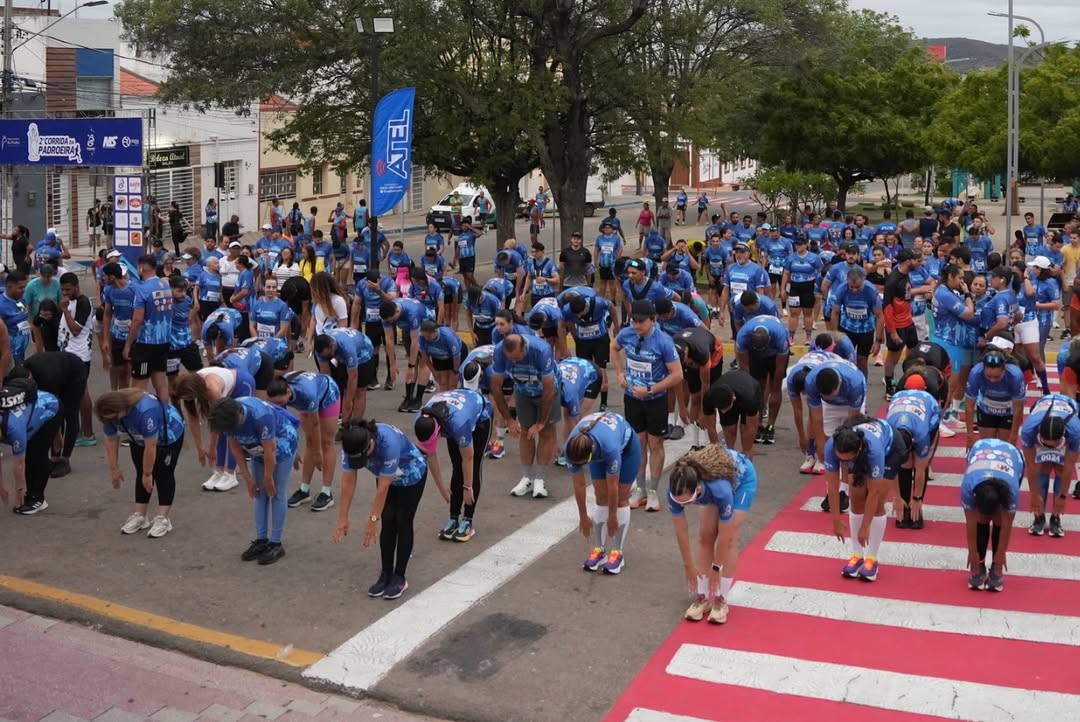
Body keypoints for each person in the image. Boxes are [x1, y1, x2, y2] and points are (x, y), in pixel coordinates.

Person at [334, 419, 429, 600]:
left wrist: (372, 520)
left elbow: (383, 487)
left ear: (371, 443)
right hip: (386, 474)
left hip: (411, 474)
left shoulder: (388, 443)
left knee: (402, 520)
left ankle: (399, 576)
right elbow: (348, 481)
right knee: (388, 520)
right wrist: (342, 517)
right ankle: (386, 573)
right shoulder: (350, 444)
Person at [668, 445, 757, 625]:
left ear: (697, 490)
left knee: (730, 539)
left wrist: (716, 568)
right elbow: (681, 530)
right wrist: (688, 566)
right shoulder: (675, 488)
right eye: (680, 502)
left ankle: (721, 599)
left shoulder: (720, 490)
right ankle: (703, 597)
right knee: (705, 535)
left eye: (688, 502)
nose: (683, 505)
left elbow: (725, 534)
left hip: (742, 480)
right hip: (712, 483)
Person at [209, 397, 299, 565]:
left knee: (276, 492)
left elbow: (270, 451)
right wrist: (248, 479)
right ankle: (261, 540)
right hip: (256, 448)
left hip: (281, 443)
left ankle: (276, 543)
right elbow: (235, 448)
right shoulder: (226, 416)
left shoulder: (260, 417)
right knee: (259, 493)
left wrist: (268, 477)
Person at [613, 299, 682, 512]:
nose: (636, 325)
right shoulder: (627, 334)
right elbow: (614, 347)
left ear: (653, 320)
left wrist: (651, 390)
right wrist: (619, 373)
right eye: (634, 321)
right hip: (632, 399)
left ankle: (653, 491)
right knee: (638, 444)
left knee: (655, 444)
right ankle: (640, 489)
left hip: (655, 401)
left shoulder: (663, 342)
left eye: (641, 321)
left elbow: (677, 375)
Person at [823, 415, 907, 582]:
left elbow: (874, 493)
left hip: (890, 449)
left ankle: (872, 559)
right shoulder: (831, 446)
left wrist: (865, 526)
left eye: (847, 460)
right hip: (860, 451)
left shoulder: (874, 451)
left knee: (877, 502)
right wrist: (835, 520)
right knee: (856, 497)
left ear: (858, 451)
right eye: (840, 459)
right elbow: (832, 486)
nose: (843, 463)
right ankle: (857, 555)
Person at [96, 388, 185, 538]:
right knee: (140, 472)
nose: (113, 422)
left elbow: (151, 446)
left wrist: (148, 474)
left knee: (163, 474)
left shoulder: (145, 411)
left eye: (115, 418)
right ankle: (140, 516)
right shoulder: (109, 415)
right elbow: (111, 440)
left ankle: (163, 518)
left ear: (122, 409)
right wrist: (114, 469)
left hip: (168, 435)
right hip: (138, 437)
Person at [563, 411, 642, 576]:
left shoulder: (609, 448)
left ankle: (617, 553)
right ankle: (599, 549)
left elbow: (613, 486)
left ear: (589, 456)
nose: (580, 466)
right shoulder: (571, 449)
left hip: (626, 450)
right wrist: (583, 516)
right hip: (598, 447)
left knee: (621, 497)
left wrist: (612, 516)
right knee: (600, 496)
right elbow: (579, 484)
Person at [491, 333, 560, 499]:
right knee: (525, 432)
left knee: (545, 433)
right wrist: (508, 419)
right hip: (523, 391)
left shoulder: (542, 350)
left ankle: (540, 480)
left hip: (546, 392)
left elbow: (548, 390)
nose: (514, 362)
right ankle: (527, 478)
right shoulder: (499, 351)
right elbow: (496, 388)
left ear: (524, 349)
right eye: (510, 359)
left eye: (517, 358)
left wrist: (541, 422)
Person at [414, 389, 487, 542]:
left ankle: (468, 520)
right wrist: (442, 489)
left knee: (472, 467)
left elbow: (468, 458)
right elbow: (430, 455)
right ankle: (453, 517)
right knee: (456, 466)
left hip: (479, 414)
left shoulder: (458, 424)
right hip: (451, 412)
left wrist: (468, 487)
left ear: (437, 431)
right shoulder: (420, 420)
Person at [173, 365, 257, 492]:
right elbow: (193, 420)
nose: (187, 400)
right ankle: (219, 471)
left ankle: (230, 473)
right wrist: (200, 448)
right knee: (223, 432)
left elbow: (217, 422)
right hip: (225, 389)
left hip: (242, 385)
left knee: (232, 429)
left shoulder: (211, 389)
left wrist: (212, 449)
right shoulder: (190, 388)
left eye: (188, 397)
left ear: (193, 391)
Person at [267, 373, 340, 513]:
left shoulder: (307, 393)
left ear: (288, 392)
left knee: (326, 442)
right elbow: (283, 425)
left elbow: (315, 424)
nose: (278, 406)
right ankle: (304, 489)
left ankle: (327, 492)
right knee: (310, 440)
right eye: (274, 403)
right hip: (305, 402)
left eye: (281, 403)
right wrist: (293, 450)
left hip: (327, 394)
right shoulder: (277, 392)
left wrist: (318, 454)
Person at [10, 352, 89, 479]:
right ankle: (54, 458)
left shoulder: (47, 377)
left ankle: (65, 459)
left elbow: (53, 409)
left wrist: (56, 435)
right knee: (55, 420)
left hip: (75, 372)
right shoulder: (15, 375)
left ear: (30, 377)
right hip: (57, 369)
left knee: (70, 413)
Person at [960, 439, 1023, 591]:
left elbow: (1007, 525)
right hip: (980, 451)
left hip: (1012, 457)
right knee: (982, 518)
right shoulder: (968, 486)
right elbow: (970, 522)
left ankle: (995, 566)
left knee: (999, 519)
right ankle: (980, 564)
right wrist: (972, 552)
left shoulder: (1012, 491)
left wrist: (1001, 554)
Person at [805, 359, 868, 511]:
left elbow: (851, 427)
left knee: (846, 445)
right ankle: (830, 491)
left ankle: (843, 491)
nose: (830, 397)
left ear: (839, 384)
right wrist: (820, 445)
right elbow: (816, 418)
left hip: (850, 401)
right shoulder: (811, 381)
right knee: (828, 447)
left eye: (832, 395)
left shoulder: (855, 383)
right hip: (829, 407)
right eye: (825, 395)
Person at [1020, 394, 1080, 538]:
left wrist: (1063, 497)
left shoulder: (1075, 431)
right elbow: (1031, 467)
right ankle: (1039, 516)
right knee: (1042, 466)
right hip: (1042, 407)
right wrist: (1034, 495)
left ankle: (1056, 518)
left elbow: (1068, 469)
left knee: (1060, 468)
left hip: (1068, 408)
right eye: (1047, 444)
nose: (1050, 448)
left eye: (1054, 445)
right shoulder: (1029, 430)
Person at [0, 378, 62, 515]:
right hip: (32, 408)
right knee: (30, 454)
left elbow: (19, 464)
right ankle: (31, 493)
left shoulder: (14, 428)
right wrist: (1, 488)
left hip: (50, 407)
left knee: (36, 455)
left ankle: (38, 498)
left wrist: (19, 492)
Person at [885, 379, 941, 529]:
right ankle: (904, 506)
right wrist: (896, 497)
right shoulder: (887, 432)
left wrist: (917, 498)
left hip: (928, 415)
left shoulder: (922, 434)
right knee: (905, 464)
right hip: (901, 413)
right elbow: (891, 469)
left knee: (918, 462)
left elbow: (921, 468)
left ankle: (916, 508)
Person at [734, 314, 789, 444]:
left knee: (775, 387)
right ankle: (758, 423)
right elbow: (744, 367)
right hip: (754, 355)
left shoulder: (780, 335)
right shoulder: (743, 336)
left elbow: (780, 369)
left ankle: (770, 425)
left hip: (776, 353)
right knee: (756, 387)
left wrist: (776, 385)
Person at [125, 255, 173, 402]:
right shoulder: (165, 285)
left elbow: (137, 319)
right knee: (161, 384)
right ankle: (165, 413)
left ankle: (139, 415)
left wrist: (128, 344)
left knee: (138, 388)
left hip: (146, 344)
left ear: (141, 268)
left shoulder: (142, 289)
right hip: (164, 342)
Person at [56, 272, 96, 449]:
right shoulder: (71, 301)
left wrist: (64, 310)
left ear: (76, 286)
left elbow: (75, 330)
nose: (65, 293)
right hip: (68, 352)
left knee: (81, 392)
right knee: (73, 393)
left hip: (79, 355)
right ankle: (79, 430)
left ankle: (88, 433)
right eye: (63, 290)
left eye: (68, 289)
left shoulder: (83, 303)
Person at [963, 348, 1025, 448]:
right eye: (988, 376)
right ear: (983, 369)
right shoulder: (975, 373)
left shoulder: (1015, 375)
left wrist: (1013, 436)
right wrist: (970, 436)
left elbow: (1018, 409)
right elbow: (969, 406)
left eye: (997, 377)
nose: (992, 380)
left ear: (1004, 369)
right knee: (987, 447)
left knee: (1004, 448)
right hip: (986, 409)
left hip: (1009, 412)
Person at [313, 327, 375, 423]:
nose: (328, 357)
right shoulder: (320, 351)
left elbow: (353, 377)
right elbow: (326, 374)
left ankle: (357, 424)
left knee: (359, 390)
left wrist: (348, 403)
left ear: (332, 345)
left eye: (329, 354)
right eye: (325, 356)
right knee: (345, 389)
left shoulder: (347, 348)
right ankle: (345, 424)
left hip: (363, 353)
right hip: (343, 354)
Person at [702, 371, 762, 456]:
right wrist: (717, 451)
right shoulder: (709, 397)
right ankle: (729, 456)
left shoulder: (750, 399)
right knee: (729, 432)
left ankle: (746, 462)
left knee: (745, 432)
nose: (723, 412)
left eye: (726, 408)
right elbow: (711, 427)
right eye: (720, 409)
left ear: (733, 399)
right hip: (728, 390)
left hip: (749, 389)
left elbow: (751, 428)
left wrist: (746, 451)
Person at [556, 356, 600, 466]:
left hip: (592, 373)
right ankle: (567, 450)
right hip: (573, 367)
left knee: (580, 419)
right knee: (567, 416)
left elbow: (574, 423)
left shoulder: (569, 395)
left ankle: (582, 450)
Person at [100, 263, 136, 391]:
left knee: (128, 370)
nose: (102, 278)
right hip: (116, 336)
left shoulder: (134, 289)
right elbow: (107, 313)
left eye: (104, 276)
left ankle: (125, 395)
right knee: (116, 367)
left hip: (133, 337)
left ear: (112, 277)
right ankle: (114, 392)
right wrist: (105, 339)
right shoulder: (108, 290)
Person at [166, 276, 202, 394]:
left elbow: (190, 320)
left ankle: (195, 400)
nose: (183, 294)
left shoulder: (187, 300)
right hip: (171, 348)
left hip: (188, 344)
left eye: (184, 291)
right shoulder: (166, 302)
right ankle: (175, 404)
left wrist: (195, 338)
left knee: (197, 376)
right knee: (172, 380)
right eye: (179, 291)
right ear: (170, 289)